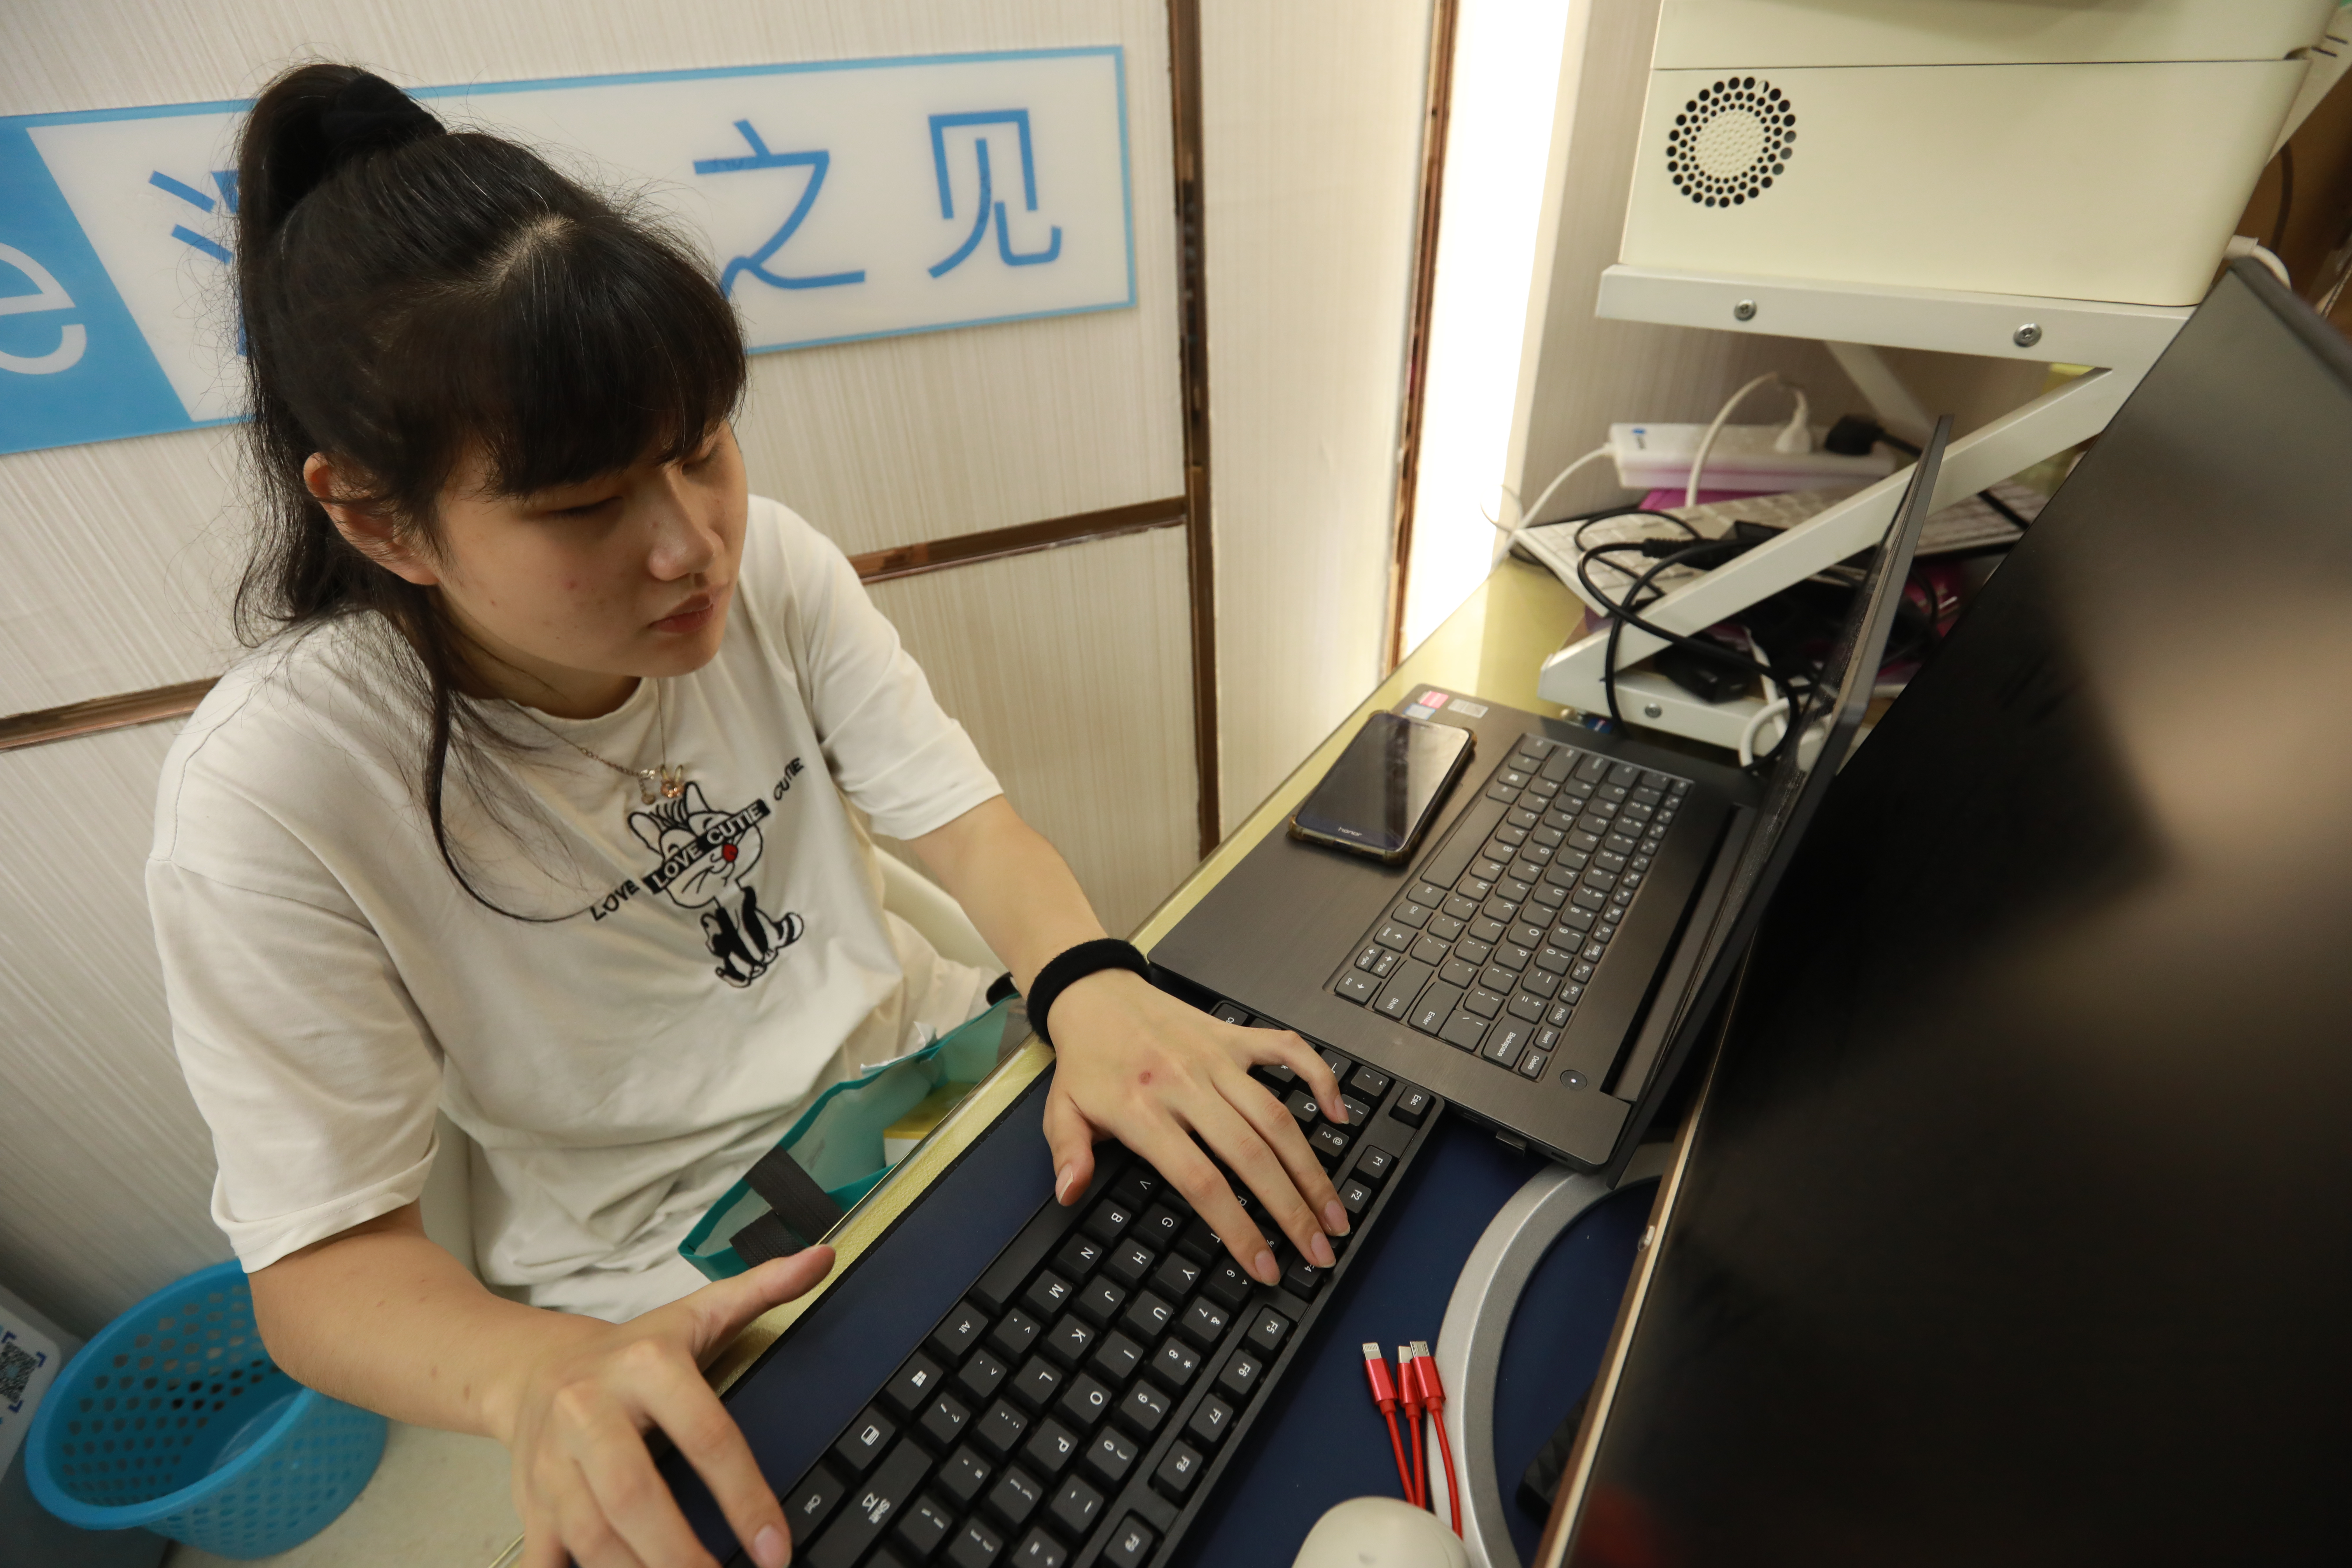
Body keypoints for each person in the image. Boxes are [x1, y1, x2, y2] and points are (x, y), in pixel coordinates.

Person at [146, 64, 1349, 1568]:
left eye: (704, 445)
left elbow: (968, 828)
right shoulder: (274, 792)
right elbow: (319, 1270)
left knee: (1295, 1309)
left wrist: (1093, 983)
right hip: (674, 1281)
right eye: (587, 506)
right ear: (381, 518)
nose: (689, 545)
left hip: (945, 1096)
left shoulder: (767, 563)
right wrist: (533, 1379)